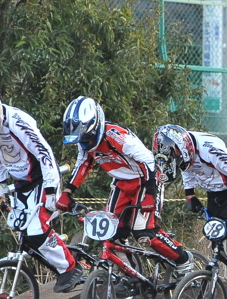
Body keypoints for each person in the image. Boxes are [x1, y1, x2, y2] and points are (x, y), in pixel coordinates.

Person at [0, 87, 83, 292]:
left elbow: (44, 153)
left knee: (37, 229)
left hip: (42, 179)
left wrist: (52, 190)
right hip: (20, 182)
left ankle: (70, 268)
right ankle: (58, 255)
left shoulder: (18, 122)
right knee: (23, 232)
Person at [56, 96, 194, 277]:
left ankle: (183, 260)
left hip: (145, 180)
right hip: (121, 184)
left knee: (144, 232)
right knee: (113, 234)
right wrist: (68, 192)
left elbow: (149, 161)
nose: (85, 143)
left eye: (87, 137)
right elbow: (83, 164)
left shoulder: (118, 136)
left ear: (95, 124)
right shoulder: (85, 143)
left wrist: (150, 193)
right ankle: (128, 274)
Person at [152, 124, 227, 299]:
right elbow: (187, 169)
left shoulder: (211, 150)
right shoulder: (183, 153)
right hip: (213, 196)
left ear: (185, 149)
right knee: (216, 241)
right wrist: (189, 194)